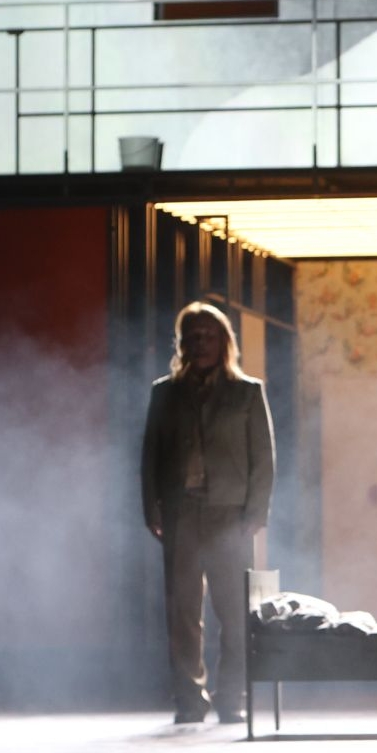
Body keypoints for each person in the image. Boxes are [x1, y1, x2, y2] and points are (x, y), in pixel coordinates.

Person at [142, 302, 276, 724]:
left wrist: (256, 513)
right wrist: (151, 508)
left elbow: (264, 459)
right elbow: (150, 456)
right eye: (193, 336)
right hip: (181, 511)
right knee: (182, 612)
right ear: (181, 343)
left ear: (224, 342)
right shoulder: (165, 392)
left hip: (229, 514)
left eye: (209, 336)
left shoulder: (246, 392)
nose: (200, 343)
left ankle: (231, 697)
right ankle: (189, 699)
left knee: (234, 613)